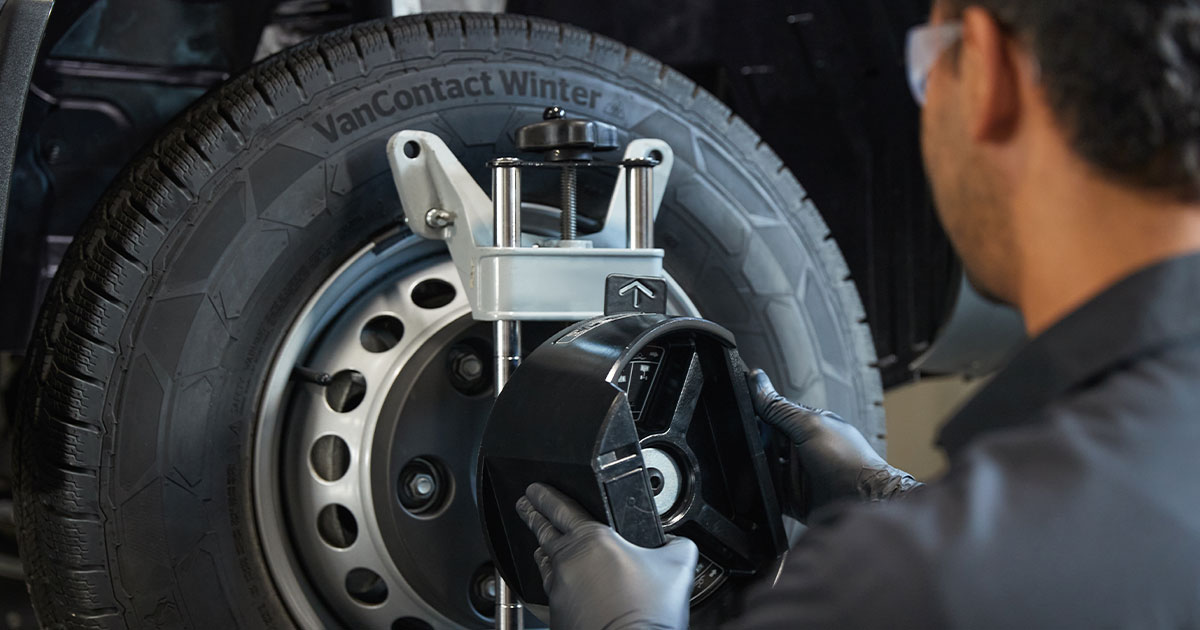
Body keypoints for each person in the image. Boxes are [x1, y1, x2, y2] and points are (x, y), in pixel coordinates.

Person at [514, 0, 1200, 627]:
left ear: (986, 70)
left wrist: (628, 624)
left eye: (928, 68)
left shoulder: (901, 587)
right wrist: (888, 493)